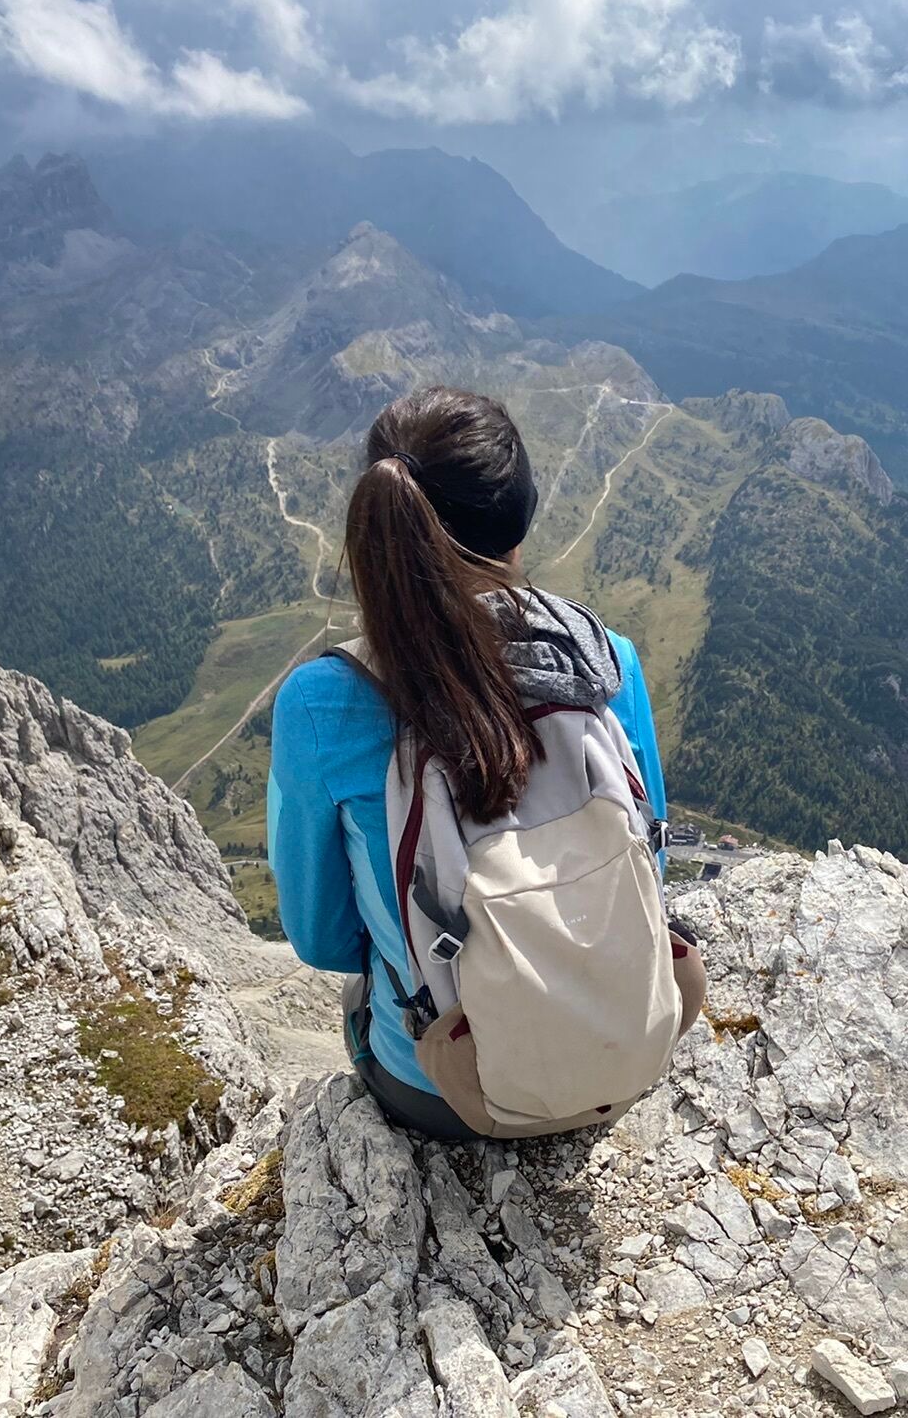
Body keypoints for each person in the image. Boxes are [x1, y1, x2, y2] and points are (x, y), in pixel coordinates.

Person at [267, 384, 667, 1140]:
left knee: (365, 998)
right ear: (521, 520)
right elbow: (652, 861)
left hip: (447, 1092)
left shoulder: (319, 704)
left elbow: (322, 939)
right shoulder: (604, 661)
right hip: (623, 1055)